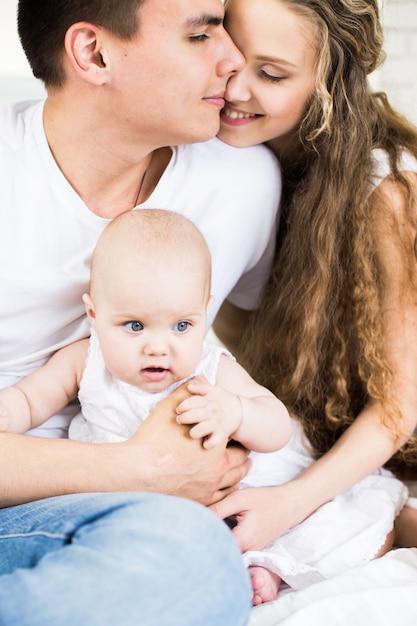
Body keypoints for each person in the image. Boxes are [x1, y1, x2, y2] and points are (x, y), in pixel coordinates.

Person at [0, 0, 283, 623]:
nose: (233, 59)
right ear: (95, 54)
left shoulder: (241, 183)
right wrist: (136, 469)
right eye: (201, 32)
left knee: (190, 558)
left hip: (124, 523)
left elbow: (246, 350)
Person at [210, 0, 417, 606]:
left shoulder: (388, 190)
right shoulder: (237, 161)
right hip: (314, 423)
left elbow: (400, 406)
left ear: (330, 83)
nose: (235, 89)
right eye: (228, 57)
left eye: (272, 75)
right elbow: (235, 329)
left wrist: (288, 504)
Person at [0, 209, 292, 454]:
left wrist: (237, 413)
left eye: (181, 326)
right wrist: (8, 414)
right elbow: (29, 400)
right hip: (96, 494)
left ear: (204, 313)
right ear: (94, 315)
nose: (157, 348)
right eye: (135, 326)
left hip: (185, 500)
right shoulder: (87, 361)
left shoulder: (210, 372)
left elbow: (279, 426)